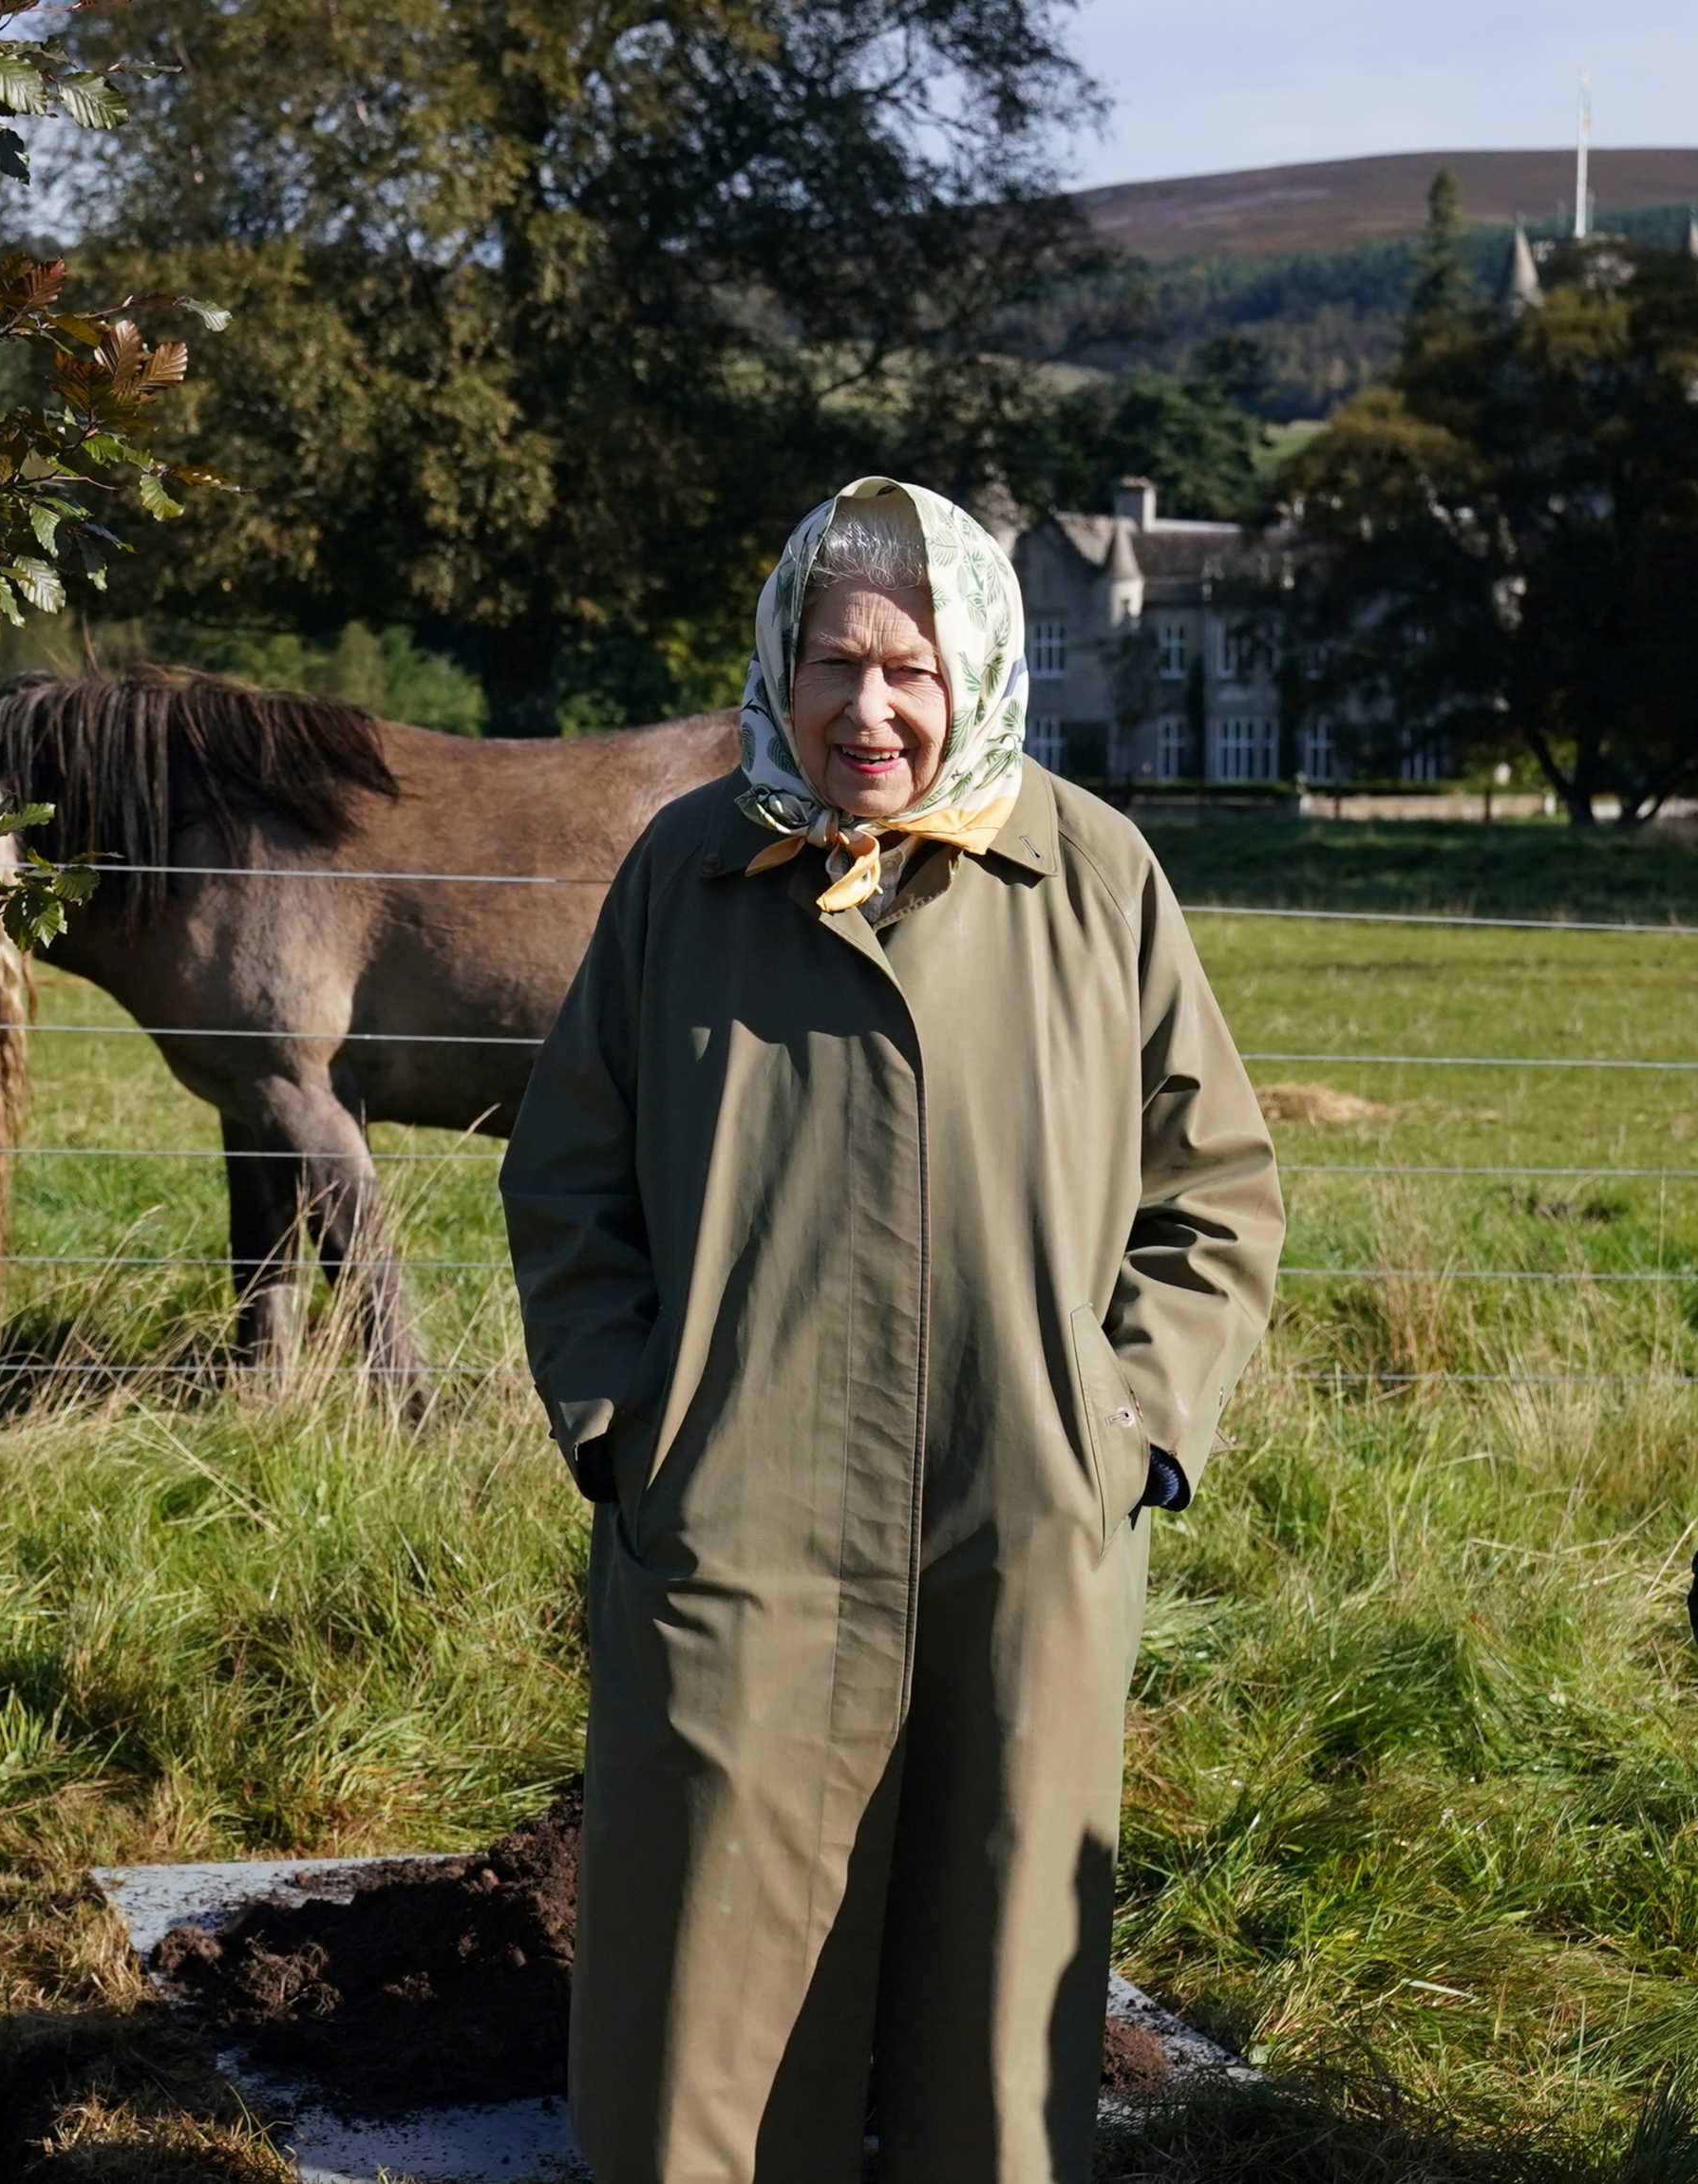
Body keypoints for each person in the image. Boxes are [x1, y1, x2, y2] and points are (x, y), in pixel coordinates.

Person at [499, 478, 1282, 2182]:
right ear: (781, 664)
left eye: (913, 669)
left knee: (996, 2020)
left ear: (978, 669)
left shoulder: (1091, 876)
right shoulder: (689, 873)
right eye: (838, 663)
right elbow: (567, 1183)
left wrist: (1129, 1427)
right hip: (735, 1523)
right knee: (707, 2005)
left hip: (1024, 1518)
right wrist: (630, 1425)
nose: (873, 709)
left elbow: (1214, 1190)